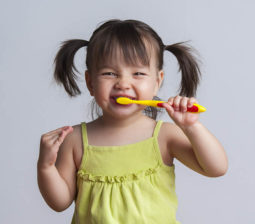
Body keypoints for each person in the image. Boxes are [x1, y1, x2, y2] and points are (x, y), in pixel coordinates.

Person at [37, 19, 228, 224]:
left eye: (138, 73)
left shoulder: (164, 136)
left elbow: (216, 168)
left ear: (157, 82)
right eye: (109, 73)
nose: (123, 83)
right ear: (91, 82)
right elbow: (60, 203)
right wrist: (46, 167)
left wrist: (192, 127)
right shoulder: (74, 140)